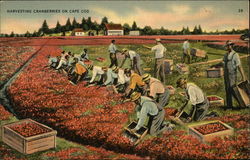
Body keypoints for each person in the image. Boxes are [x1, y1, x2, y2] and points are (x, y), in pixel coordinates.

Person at [212, 40, 246, 108]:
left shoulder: (235, 55)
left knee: (233, 90)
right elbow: (222, 63)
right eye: (227, 45)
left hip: (232, 74)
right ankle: (229, 106)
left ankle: (242, 104)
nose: (228, 46)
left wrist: (243, 76)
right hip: (226, 74)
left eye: (229, 45)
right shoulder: (226, 55)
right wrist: (214, 66)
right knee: (227, 90)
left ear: (232, 46)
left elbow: (239, 66)